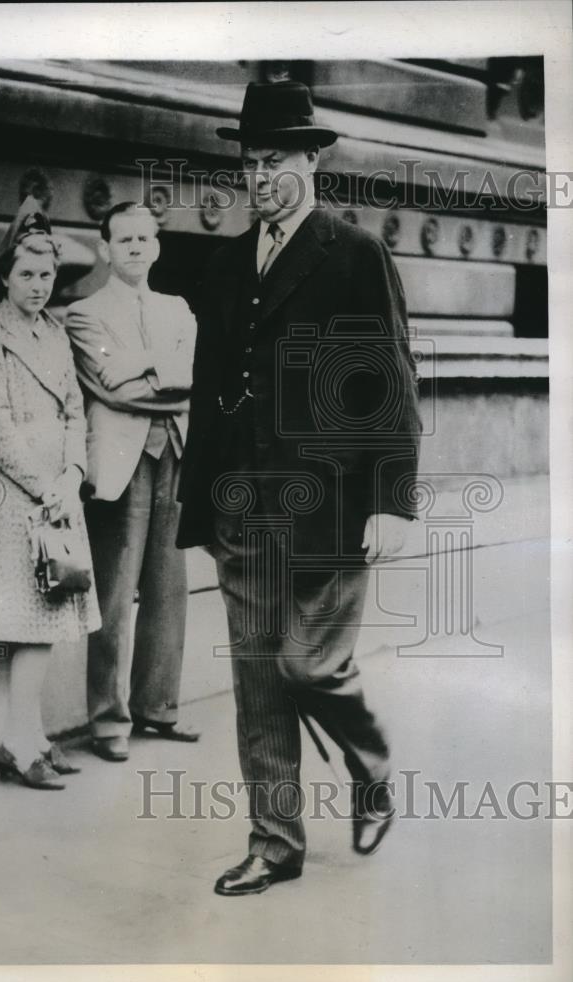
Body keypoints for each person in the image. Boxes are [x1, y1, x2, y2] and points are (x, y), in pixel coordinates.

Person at [177, 81, 421, 895]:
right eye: (248, 160)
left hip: (329, 502)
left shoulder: (353, 252)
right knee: (256, 678)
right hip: (237, 504)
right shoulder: (223, 263)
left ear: (311, 160)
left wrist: (389, 496)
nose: (257, 174)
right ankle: (273, 843)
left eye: (273, 159)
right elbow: (210, 381)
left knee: (308, 668)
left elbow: (388, 379)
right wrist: (202, 497)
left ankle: (371, 764)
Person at [0, 196, 100, 790]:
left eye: (48, 276)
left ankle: (31, 736)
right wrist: (48, 486)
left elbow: (75, 411)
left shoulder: (56, 334)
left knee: (50, 617)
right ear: (4, 276)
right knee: (33, 623)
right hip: (17, 494)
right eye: (28, 275)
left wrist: (72, 476)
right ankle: (20, 746)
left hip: (56, 495)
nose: (40, 286)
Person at [66, 202, 199, 763]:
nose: (137, 248)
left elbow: (198, 377)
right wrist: (162, 372)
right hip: (120, 465)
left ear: (158, 245)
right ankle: (108, 721)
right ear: (106, 249)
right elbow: (113, 389)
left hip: (174, 455)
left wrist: (141, 360)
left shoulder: (179, 309)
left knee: (170, 593)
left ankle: (158, 709)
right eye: (125, 240)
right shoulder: (83, 314)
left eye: (146, 238)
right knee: (115, 599)